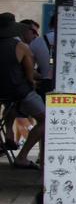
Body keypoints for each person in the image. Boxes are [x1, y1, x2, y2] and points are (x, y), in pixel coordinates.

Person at [1, 18, 45, 169]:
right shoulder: (21, 47)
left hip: (4, 95)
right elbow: (30, 76)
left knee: (11, 107)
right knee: (46, 119)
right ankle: (22, 156)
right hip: (19, 92)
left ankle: (8, 133)